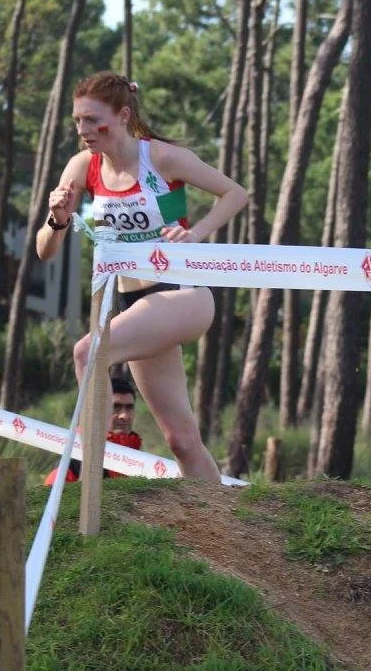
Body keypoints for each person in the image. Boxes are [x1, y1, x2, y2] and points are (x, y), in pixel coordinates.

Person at [37, 71, 247, 483]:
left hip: (183, 295)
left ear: (122, 116)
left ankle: (88, 481)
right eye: (77, 120)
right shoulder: (83, 167)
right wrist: (57, 218)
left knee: (87, 353)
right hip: (136, 305)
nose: (82, 130)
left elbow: (236, 193)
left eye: (92, 120)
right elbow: (45, 250)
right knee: (181, 440)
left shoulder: (161, 158)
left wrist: (195, 233)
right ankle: (222, 515)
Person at [44, 376, 143, 486]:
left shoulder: (144, 463)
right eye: (116, 407)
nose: (124, 415)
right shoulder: (68, 470)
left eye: (129, 408)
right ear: (96, 410)